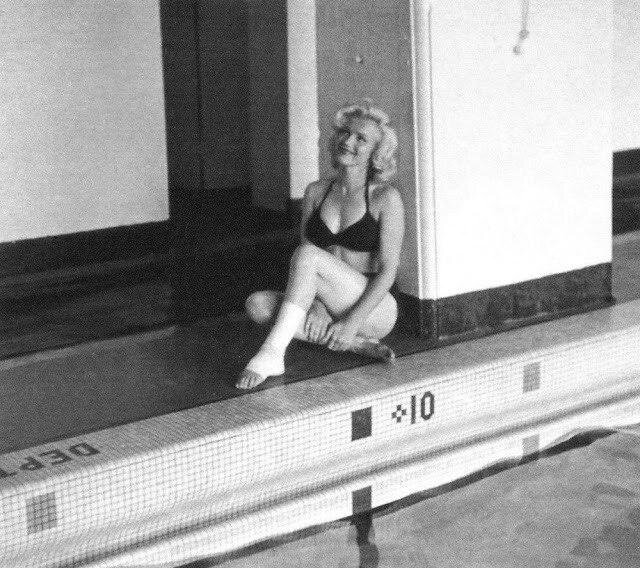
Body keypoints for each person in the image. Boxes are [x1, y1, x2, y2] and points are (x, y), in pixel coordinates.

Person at [236, 102, 405, 390]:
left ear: (376, 153)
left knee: (307, 255)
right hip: (329, 302)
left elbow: (388, 271)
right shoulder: (316, 192)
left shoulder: (385, 198)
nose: (347, 141)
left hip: (374, 310)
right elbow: (306, 268)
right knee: (257, 305)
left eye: (360, 138)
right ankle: (355, 345)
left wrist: (352, 322)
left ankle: (273, 353)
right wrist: (317, 305)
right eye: (344, 132)